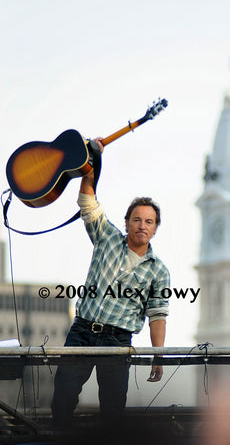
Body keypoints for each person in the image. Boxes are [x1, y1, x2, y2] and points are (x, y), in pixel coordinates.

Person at [51, 139, 170, 430]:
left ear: (155, 228)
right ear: (127, 222)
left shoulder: (159, 271)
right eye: (137, 219)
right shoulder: (107, 237)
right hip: (82, 331)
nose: (142, 225)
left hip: (118, 340)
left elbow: (157, 316)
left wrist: (158, 356)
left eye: (149, 221)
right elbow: (88, 203)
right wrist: (90, 164)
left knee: (113, 410)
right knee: (62, 398)